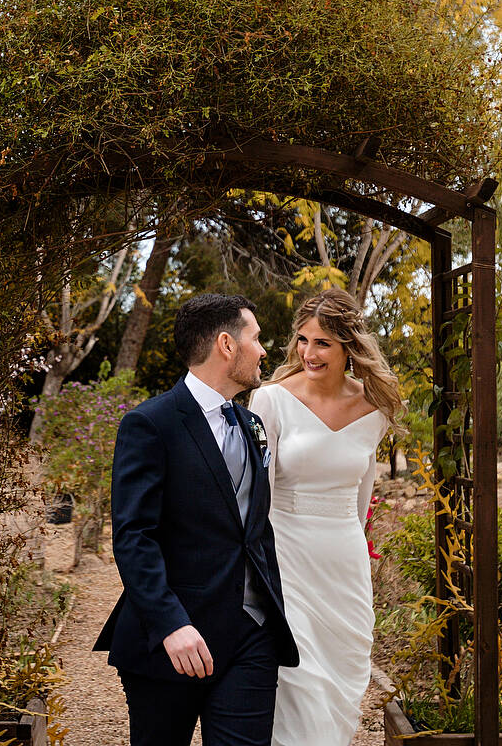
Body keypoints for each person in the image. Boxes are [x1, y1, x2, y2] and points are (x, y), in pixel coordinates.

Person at [95, 293, 300, 746]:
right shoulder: (150, 424)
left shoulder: (251, 424)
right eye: (257, 338)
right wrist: (170, 624)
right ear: (227, 345)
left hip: (252, 636)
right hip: (175, 639)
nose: (265, 350)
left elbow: (254, 529)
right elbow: (134, 537)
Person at [245, 288, 402, 746]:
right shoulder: (271, 400)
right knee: (299, 683)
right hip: (287, 556)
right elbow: (259, 494)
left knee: (343, 679)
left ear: (348, 346)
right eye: (303, 340)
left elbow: (361, 499)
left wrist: (353, 549)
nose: (308, 353)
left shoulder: (376, 409)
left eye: (322, 343)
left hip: (344, 563)